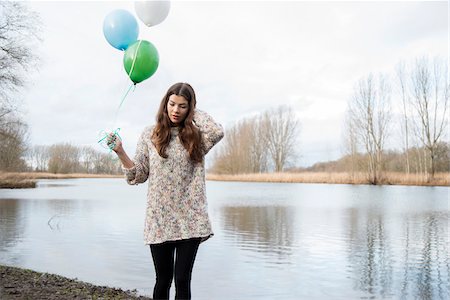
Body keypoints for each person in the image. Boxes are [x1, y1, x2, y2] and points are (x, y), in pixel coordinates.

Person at [108, 82, 224, 300]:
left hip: (190, 219)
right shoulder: (149, 135)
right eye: (172, 104)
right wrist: (120, 151)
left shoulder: (196, 137)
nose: (175, 110)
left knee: (182, 280)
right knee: (163, 280)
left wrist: (194, 109)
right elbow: (138, 175)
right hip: (159, 218)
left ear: (189, 108)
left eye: (182, 106)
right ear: (164, 104)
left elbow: (217, 131)